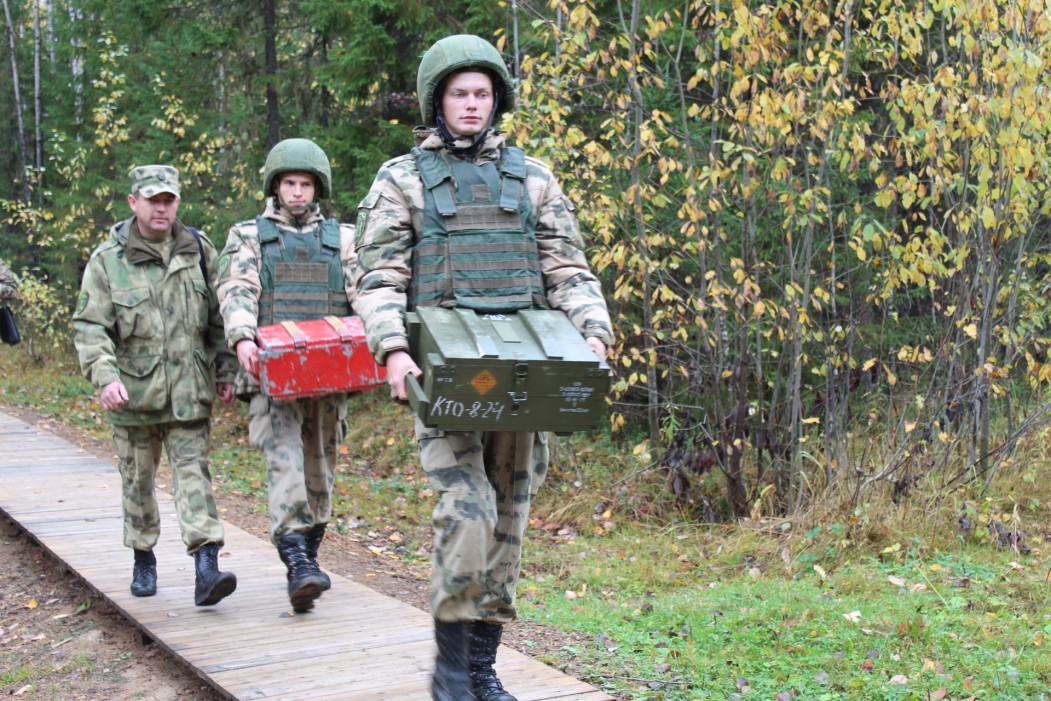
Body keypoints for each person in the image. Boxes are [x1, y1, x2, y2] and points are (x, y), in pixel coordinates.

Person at [352, 35, 613, 701]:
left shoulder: (533, 178)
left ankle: (481, 667)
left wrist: (593, 332)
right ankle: (446, 669)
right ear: (436, 100)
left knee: (508, 518)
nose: (471, 105)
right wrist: (392, 348)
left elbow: (567, 267)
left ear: (496, 99)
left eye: (481, 93)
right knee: (465, 508)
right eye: (458, 93)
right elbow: (377, 277)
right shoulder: (400, 179)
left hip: (526, 370)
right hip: (443, 374)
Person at [72, 165, 239, 606]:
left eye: (168, 200)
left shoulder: (198, 250)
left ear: (177, 203)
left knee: (193, 477)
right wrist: (105, 378)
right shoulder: (108, 260)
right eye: (152, 200)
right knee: (138, 481)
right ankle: (143, 555)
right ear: (133, 203)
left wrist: (225, 371)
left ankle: (207, 566)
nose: (161, 207)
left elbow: (219, 319)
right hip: (135, 394)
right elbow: (91, 328)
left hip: (189, 390)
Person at [216, 138, 357, 614]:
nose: (297, 192)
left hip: (328, 374)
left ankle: (308, 561)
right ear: (276, 186)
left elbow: (369, 294)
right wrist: (241, 338)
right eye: (289, 183)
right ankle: (298, 562)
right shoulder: (250, 236)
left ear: (317, 189)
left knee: (320, 470)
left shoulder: (345, 240)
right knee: (285, 464)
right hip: (271, 374)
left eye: (306, 184)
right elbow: (236, 288)